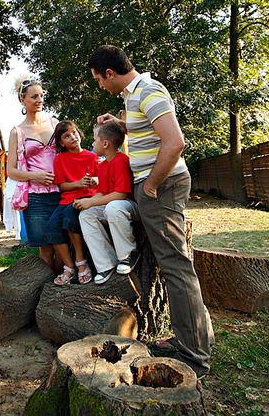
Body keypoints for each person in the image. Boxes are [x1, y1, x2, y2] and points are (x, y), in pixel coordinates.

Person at [88, 44, 213, 378]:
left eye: (99, 79)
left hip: (162, 186)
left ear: (110, 73)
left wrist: (151, 186)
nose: (101, 85)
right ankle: (196, 338)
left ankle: (196, 356)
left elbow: (174, 142)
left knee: (175, 268)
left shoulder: (148, 89)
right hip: (156, 187)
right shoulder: (133, 97)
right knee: (176, 266)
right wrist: (120, 123)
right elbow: (145, 128)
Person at [6, 77, 61, 272]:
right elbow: (10, 170)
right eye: (34, 96)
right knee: (45, 249)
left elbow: (72, 150)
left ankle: (64, 287)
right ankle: (45, 291)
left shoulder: (55, 124)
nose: (39, 100)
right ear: (23, 100)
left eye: (41, 96)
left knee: (64, 246)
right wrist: (35, 176)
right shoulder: (17, 132)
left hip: (62, 192)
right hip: (36, 198)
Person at [74, 121, 139, 285]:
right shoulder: (102, 165)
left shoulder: (122, 160)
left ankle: (128, 255)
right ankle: (106, 264)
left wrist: (91, 202)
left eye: (95, 139)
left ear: (105, 143)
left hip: (128, 206)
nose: (92, 142)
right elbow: (102, 192)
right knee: (86, 215)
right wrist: (87, 202)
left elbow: (120, 195)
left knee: (113, 207)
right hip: (113, 205)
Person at [46, 120, 98, 285]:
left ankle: (81, 263)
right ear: (61, 142)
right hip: (67, 199)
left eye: (74, 132)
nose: (73, 137)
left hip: (88, 198)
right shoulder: (60, 159)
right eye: (67, 136)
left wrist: (94, 180)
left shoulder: (92, 157)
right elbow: (62, 186)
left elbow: (101, 179)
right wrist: (78, 183)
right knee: (52, 227)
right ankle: (69, 267)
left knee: (70, 216)